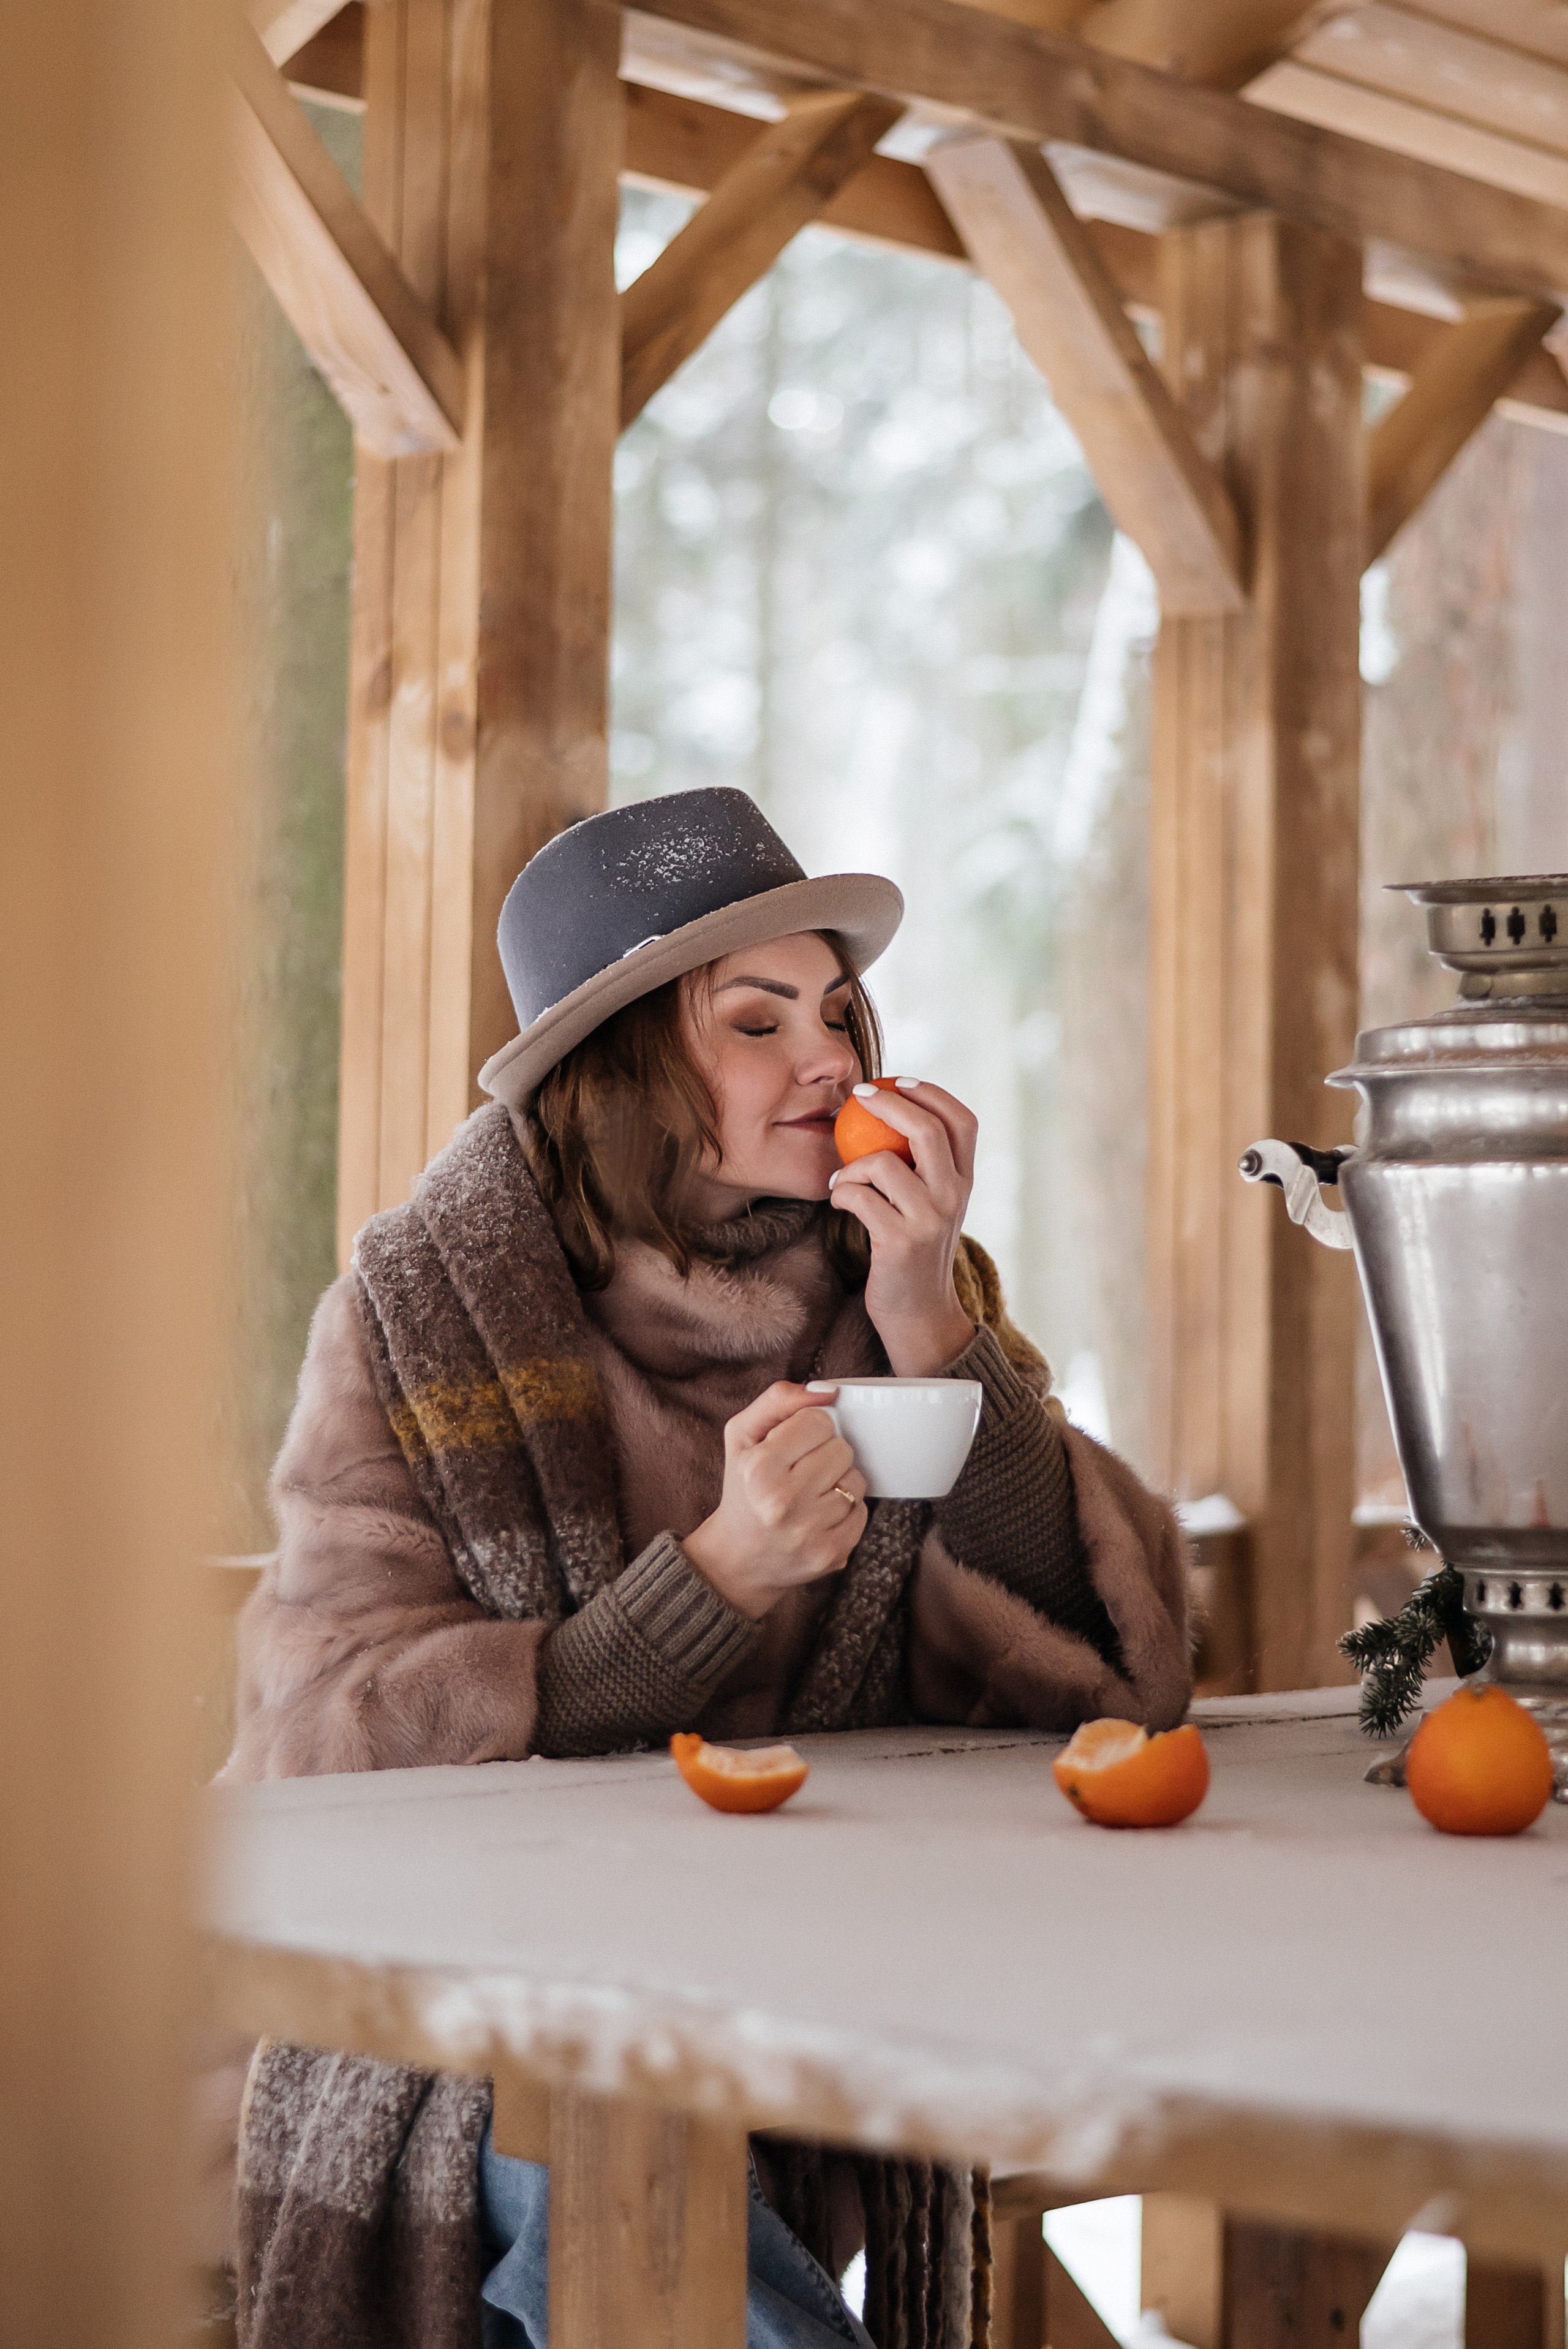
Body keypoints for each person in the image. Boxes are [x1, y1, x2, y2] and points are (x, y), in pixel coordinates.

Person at [227, 787, 1191, 2349]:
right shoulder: (422, 1312)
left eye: (837, 1010)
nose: (834, 1058)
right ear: (619, 1071)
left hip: (824, 1962)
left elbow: (1101, 1664)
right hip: (481, 2001)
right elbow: (329, 1729)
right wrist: (715, 1582)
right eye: (759, 1021)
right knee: (581, 2114)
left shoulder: (894, 1278)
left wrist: (938, 1327)